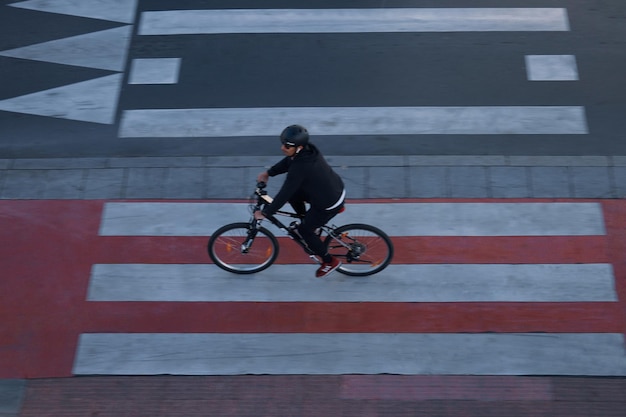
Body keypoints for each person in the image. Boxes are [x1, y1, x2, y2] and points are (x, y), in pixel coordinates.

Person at [254, 124, 346, 278]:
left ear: (299, 147)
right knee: (294, 196)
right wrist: (269, 173)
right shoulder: (306, 150)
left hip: (328, 202)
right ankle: (308, 222)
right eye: (283, 143)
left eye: (287, 146)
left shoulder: (301, 167)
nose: (283, 148)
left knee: (304, 231)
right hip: (329, 189)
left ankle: (329, 261)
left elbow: (285, 192)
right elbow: (289, 161)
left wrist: (266, 213)